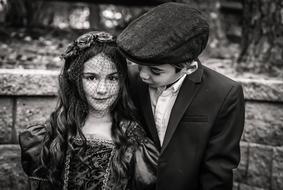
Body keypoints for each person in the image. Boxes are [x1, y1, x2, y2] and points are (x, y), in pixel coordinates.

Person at [116, 2, 245, 190]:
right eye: (139, 65)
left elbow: (219, 168)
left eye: (155, 71)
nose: (143, 75)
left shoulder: (224, 94)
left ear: (188, 67)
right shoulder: (131, 79)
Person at [19, 31, 158, 190]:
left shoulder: (133, 139)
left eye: (112, 78)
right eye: (91, 77)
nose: (102, 89)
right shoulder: (51, 134)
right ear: (75, 79)